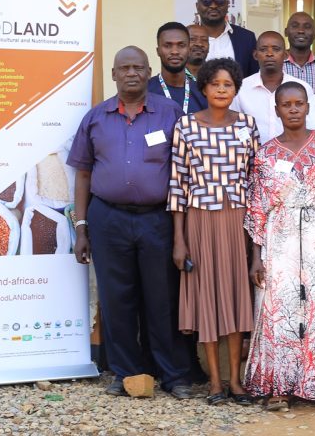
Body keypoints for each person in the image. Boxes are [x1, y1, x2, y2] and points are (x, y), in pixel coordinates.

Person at [67, 46, 194, 399]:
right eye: (124, 68)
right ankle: (125, 373)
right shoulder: (96, 117)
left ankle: (173, 375)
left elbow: (185, 172)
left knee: (162, 297)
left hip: (158, 219)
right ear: (114, 74)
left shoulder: (170, 114)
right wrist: (81, 227)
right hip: (107, 218)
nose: (132, 73)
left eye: (138, 67)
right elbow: (82, 174)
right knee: (116, 298)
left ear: (148, 71)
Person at [244, 82, 315, 403]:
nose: (293, 109)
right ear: (277, 109)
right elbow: (256, 208)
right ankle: (278, 387)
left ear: (308, 107)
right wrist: (256, 257)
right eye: (286, 104)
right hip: (278, 239)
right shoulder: (265, 154)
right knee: (277, 309)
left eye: (299, 103)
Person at [169, 58, 258, 406]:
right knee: (207, 298)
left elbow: (255, 181)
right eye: (215, 84)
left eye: (228, 85)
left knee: (236, 299)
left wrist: (256, 241)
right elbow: (177, 183)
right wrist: (179, 238)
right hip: (200, 221)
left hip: (238, 222)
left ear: (236, 90)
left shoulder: (248, 126)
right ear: (203, 88)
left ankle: (236, 381)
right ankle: (215, 382)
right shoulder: (186, 126)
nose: (222, 90)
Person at [232, 31, 310, 143]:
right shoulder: (241, 88)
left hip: (293, 154)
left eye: (276, 49)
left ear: (286, 55)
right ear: (255, 55)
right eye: (263, 49)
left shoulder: (302, 88)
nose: (269, 54)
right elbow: (236, 126)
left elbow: (309, 125)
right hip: (253, 156)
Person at [195, 0, 258, 77]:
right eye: (206, 1)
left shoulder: (247, 38)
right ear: (197, 6)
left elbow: (254, 76)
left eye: (219, 1)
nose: (213, 6)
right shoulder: (187, 38)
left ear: (227, 4)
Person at [148, 21, 207, 114]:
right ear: (158, 51)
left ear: (188, 49)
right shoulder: (146, 91)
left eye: (181, 45)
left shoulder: (203, 93)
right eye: (167, 45)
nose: (175, 51)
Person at [283, 12, 315, 93]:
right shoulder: (277, 65)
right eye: (295, 26)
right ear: (286, 32)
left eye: (307, 27)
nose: (301, 31)